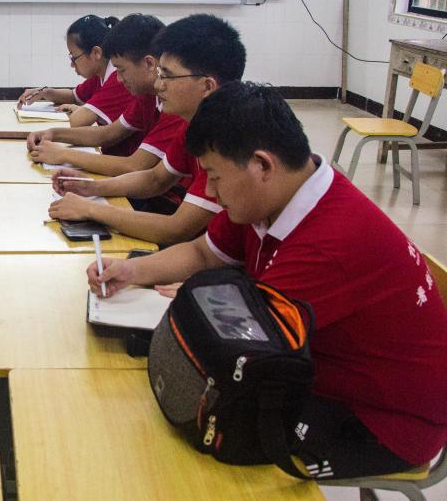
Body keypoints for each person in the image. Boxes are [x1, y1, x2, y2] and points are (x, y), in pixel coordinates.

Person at [88, 82, 447, 480]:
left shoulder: (326, 243)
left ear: (262, 165)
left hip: (383, 422)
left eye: (214, 176)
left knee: (201, 446)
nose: (210, 191)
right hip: (320, 367)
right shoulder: (269, 199)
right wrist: (131, 271)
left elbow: (250, 356)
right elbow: (203, 253)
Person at [48, 14, 245, 245]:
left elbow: (177, 229)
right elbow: (155, 178)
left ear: (207, 86)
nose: (159, 84)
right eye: (161, 74)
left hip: (183, 224)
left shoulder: (229, 140)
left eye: (167, 76)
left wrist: (90, 209)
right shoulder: (194, 121)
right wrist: (91, 187)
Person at [17, 14, 138, 156]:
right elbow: (74, 96)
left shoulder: (117, 79)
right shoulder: (100, 73)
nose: (71, 64)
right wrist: (45, 92)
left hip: (119, 158)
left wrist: (79, 111)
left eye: (74, 58)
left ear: (96, 53)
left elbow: (78, 121)